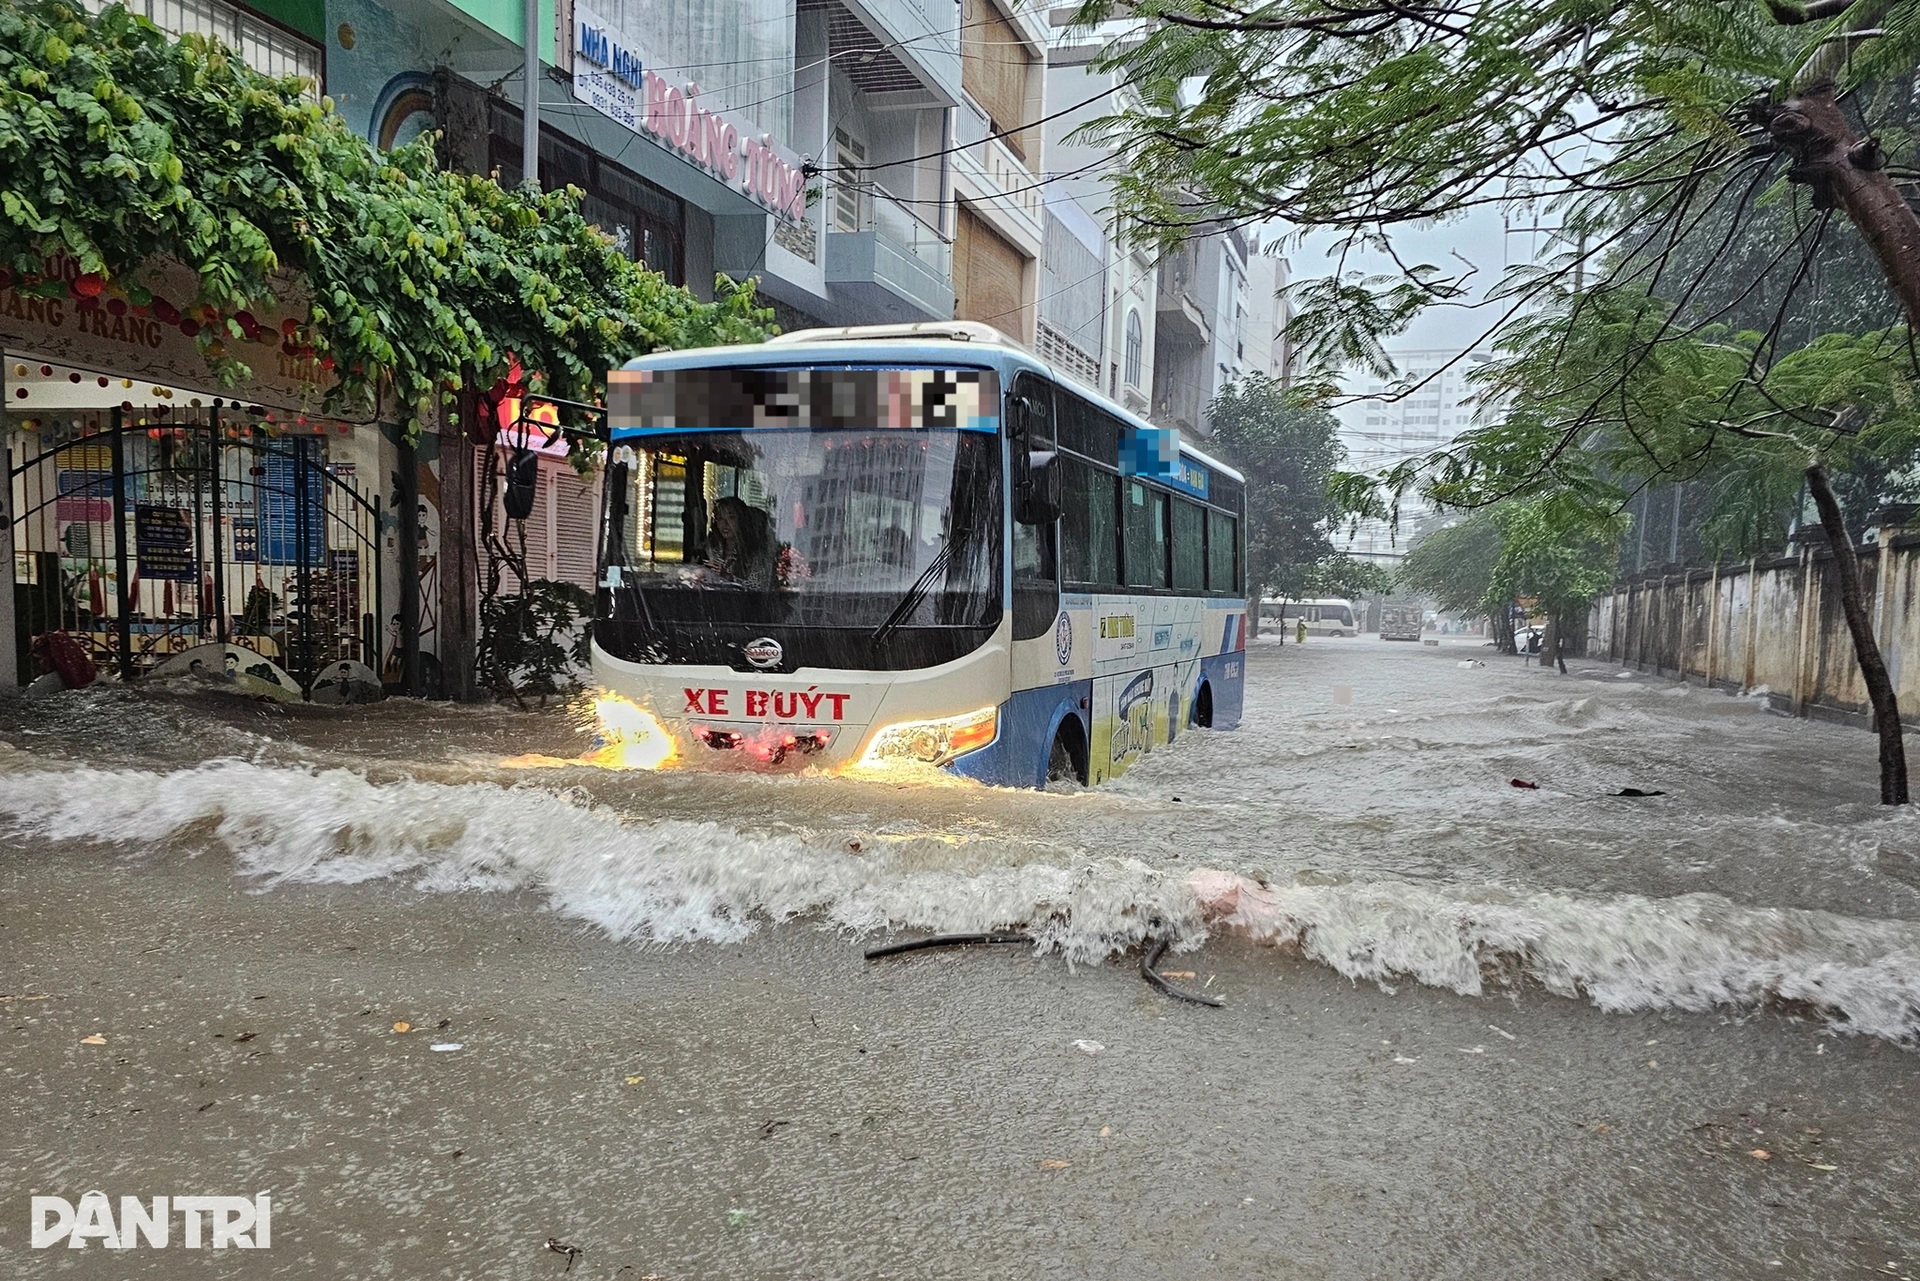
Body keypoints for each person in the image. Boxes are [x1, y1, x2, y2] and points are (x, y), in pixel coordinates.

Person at [705, 496, 778, 589]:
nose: (725, 523)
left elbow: (759, 588)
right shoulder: (713, 549)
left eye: (731, 518)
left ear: (741, 519)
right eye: (720, 518)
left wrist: (730, 578)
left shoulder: (755, 553)